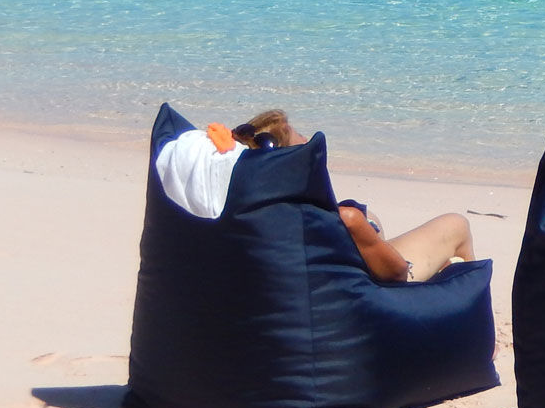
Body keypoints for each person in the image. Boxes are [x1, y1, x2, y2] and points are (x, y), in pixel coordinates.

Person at [155, 108, 475, 283]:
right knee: (455, 225)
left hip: (287, 276)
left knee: (370, 219)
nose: (308, 139)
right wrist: (377, 244)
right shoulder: (337, 221)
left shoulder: (243, 213)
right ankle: (475, 329)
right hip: (369, 284)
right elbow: (394, 274)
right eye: (301, 139)